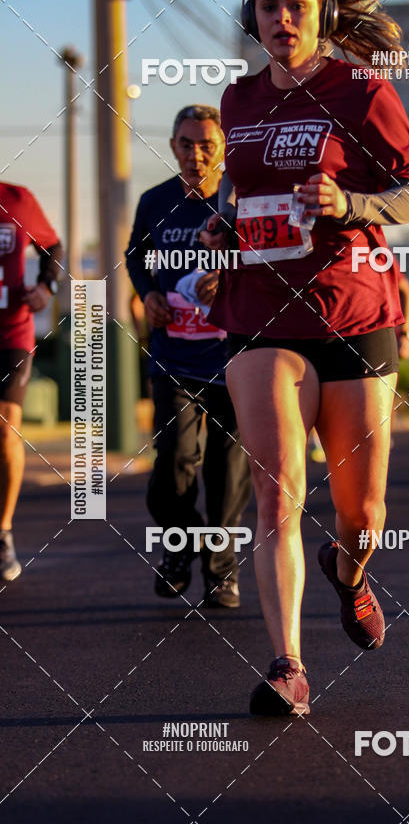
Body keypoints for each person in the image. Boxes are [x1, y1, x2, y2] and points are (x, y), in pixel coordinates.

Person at [202, 0, 409, 715]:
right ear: (253, 18)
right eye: (268, 8)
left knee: (362, 514)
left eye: (296, 6)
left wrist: (351, 203)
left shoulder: (361, 90)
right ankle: (288, 667)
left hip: (354, 315)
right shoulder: (237, 101)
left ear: (323, 15)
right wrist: (223, 226)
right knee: (276, 497)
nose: (282, 20)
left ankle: (352, 570)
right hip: (261, 311)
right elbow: (244, 194)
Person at [125, 105, 252, 607]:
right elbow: (136, 256)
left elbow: (270, 260)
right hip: (173, 355)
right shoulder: (155, 201)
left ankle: (221, 571)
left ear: (223, 146)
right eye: (185, 143)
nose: (196, 154)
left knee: (227, 469)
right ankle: (181, 545)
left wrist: (229, 279)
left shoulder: (241, 199)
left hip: (232, 356)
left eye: (206, 144)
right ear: (173, 145)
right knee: (173, 463)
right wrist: (147, 294)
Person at [0, 182, 63, 581]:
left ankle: (2, 532)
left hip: (10, 332)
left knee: (6, 424)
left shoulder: (16, 199)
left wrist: (46, 285)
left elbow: (52, 245)